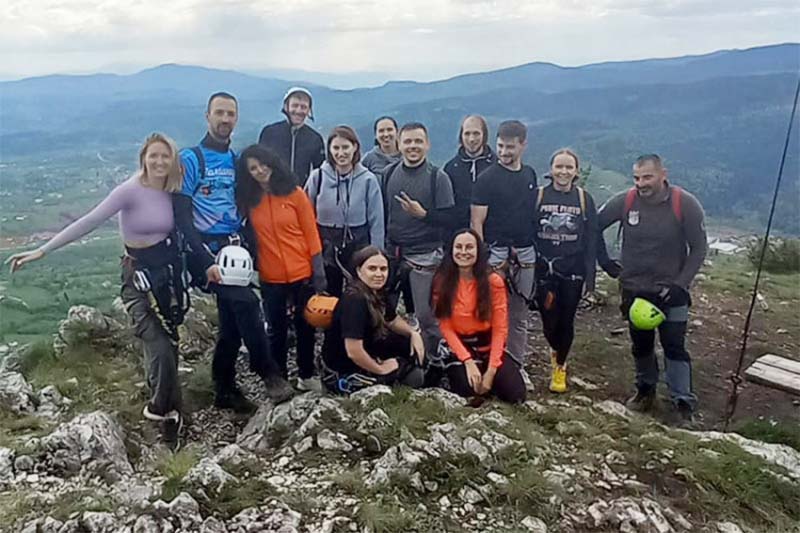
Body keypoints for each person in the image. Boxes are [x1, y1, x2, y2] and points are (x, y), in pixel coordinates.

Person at [6, 133, 189, 447]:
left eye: (165, 156)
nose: (159, 161)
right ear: (144, 158)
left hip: (167, 277)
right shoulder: (130, 190)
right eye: (154, 155)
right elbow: (90, 220)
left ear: (172, 160)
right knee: (158, 343)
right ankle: (159, 411)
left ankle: (170, 402)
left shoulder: (172, 190)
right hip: (137, 278)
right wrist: (42, 250)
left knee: (169, 342)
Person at [174, 92, 294, 413]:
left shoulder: (236, 160)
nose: (225, 119)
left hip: (236, 247)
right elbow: (181, 213)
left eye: (230, 114)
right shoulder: (191, 159)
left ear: (236, 119)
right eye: (219, 113)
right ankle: (267, 372)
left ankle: (224, 389)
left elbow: (247, 205)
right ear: (207, 116)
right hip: (204, 250)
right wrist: (202, 259)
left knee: (230, 325)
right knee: (248, 302)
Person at [597, 154, 707, 423]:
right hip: (635, 288)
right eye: (636, 178)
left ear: (663, 174)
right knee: (641, 344)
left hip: (672, 291)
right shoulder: (625, 201)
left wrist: (681, 284)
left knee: (674, 345)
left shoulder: (685, 203)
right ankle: (645, 391)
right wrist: (605, 261)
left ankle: (682, 402)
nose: (640, 183)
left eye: (647, 177)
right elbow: (593, 225)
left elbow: (699, 248)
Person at [236, 144, 327, 392]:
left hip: (302, 272)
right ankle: (280, 378)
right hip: (270, 275)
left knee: (305, 326)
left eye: (263, 164)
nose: (260, 170)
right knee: (276, 330)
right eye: (253, 168)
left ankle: (306, 373)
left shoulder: (295, 194)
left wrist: (318, 270)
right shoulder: (249, 201)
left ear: (273, 163)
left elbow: (311, 233)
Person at [383, 122, 455, 357]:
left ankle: (432, 359)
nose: (412, 146)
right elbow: (383, 211)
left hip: (426, 254)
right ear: (399, 145)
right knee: (385, 310)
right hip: (393, 252)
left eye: (418, 141)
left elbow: (450, 219)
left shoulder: (438, 177)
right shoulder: (388, 174)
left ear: (427, 144)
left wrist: (423, 214)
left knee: (426, 315)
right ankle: (395, 355)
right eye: (407, 141)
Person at [471, 120, 538, 373]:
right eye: (500, 146)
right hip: (495, 252)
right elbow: (477, 221)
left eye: (510, 147)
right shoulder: (486, 179)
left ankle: (516, 365)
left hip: (525, 251)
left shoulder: (529, 175)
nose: (503, 152)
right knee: (491, 311)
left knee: (519, 313)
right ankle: (490, 363)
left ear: (523, 145)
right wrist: (481, 258)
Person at [433, 229, 526, 403]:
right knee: (468, 390)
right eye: (458, 247)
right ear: (451, 250)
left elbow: (500, 329)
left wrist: (491, 370)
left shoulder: (493, 281)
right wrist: (467, 361)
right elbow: (445, 326)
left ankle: (488, 376)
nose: (463, 252)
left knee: (516, 395)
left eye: (469, 247)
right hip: (461, 347)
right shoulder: (442, 281)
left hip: (488, 346)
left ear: (479, 251)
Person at [533, 149, 599, 393]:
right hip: (544, 270)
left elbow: (592, 238)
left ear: (576, 171)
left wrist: (591, 279)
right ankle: (555, 349)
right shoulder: (539, 196)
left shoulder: (584, 199)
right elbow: (528, 230)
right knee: (549, 322)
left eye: (569, 167)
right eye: (559, 166)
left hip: (573, 269)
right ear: (551, 169)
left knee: (567, 319)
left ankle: (560, 366)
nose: (563, 172)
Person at [321, 246, 425, 394]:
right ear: (359, 271)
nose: (378, 274)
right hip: (344, 367)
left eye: (383, 269)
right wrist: (381, 369)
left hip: (370, 346)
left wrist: (413, 333)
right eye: (372, 269)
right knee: (415, 376)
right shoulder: (354, 300)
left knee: (410, 346)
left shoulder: (376, 291)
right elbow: (353, 350)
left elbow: (392, 320)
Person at [305, 125, 384, 297]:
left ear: (355, 147)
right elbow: (306, 216)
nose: (341, 153)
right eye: (336, 148)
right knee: (328, 294)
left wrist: (377, 255)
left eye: (345, 147)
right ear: (329, 150)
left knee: (358, 293)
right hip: (326, 243)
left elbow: (376, 220)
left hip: (358, 242)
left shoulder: (368, 180)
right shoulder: (318, 177)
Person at [258, 87, 325, 187]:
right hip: (272, 192)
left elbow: (320, 174)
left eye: (303, 107)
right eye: (295, 105)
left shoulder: (315, 139)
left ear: (309, 110)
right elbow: (259, 165)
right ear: (286, 107)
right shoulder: (269, 133)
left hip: (301, 193)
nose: (298, 111)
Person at [443, 115, 496, 230]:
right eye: (467, 134)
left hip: (493, 234)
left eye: (476, 133)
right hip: (459, 234)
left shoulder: (496, 165)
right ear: (461, 136)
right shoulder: (450, 168)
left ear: (484, 135)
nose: (471, 139)